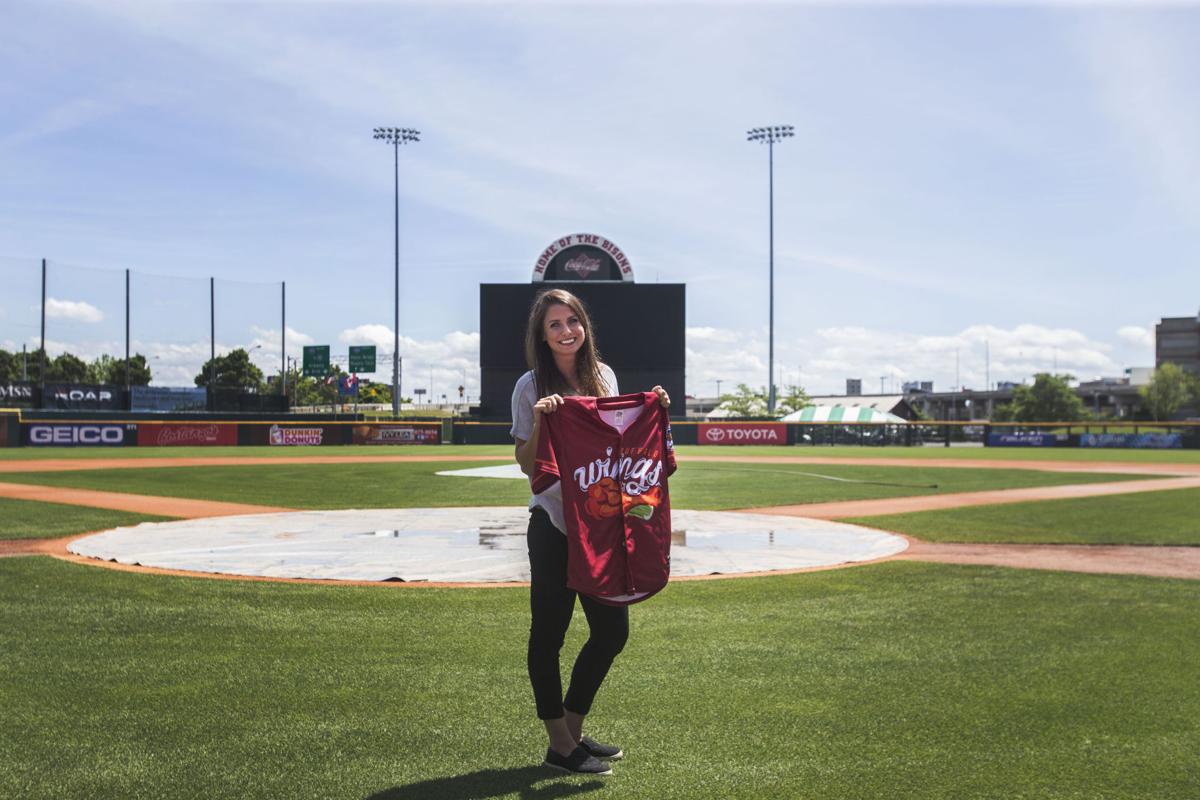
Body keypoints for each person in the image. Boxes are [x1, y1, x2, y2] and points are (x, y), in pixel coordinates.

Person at [511, 288, 669, 776]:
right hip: (556, 524)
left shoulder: (604, 377)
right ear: (542, 335)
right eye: (555, 324)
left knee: (611, 631)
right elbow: (525, 463)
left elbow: (625, 444)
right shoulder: (529, 386)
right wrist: (542, 421)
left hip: (602, 524)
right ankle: (559, 743)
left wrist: (654, 407)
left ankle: (571, 733)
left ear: (585, 326)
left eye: (572, 321)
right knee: (549, 634)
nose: (566, 331)